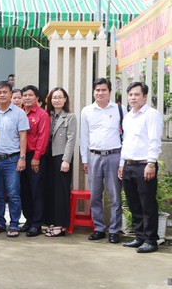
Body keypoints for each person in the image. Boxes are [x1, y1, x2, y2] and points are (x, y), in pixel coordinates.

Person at [80, 77, 125, 244]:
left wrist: (122, 161)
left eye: (103, 90)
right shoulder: (87, 111)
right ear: (93, 92)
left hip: (114, 155)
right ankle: (99, 228)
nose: (100, 93)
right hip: (94, 156)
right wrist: (85, 159)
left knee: (115, 196)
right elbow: (84, 137)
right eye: (97, 90)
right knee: (95, 196)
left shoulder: (121, 109)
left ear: (110, 92)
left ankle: (114, 230)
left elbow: (125, 136)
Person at [119, 82, 163, 253]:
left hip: (145, 165)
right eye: (130, 94)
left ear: (145, 96)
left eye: (137, 94)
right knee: (133, 204)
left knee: (147, 204)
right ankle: (139, 237)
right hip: (129, 165)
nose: (133, 98)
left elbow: (154, 140)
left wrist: (151, 163)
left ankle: (151, 240)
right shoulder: (129, 116)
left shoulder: (152, 115)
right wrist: (122, 164)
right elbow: (126, 142)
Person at [0, 81, 29, 238]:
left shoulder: (19, 113)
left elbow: (23, 137)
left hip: (12, 159)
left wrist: (22, 158)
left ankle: (14, 224)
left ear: (11, 94)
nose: (2, 95)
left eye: (5, 92)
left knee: (13, 193)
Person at [43, 87, 77, 238]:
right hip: (48, 158)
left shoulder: (70, 117)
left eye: (59, 97)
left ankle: (60, 225)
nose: (56, 100)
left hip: (61, 157)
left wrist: (66, 160)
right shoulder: (47, 116)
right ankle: (52, 222)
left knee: (61, 193)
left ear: (65, 99)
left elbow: (71, 140)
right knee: (50, 191)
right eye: (53, 97)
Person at [20, 85, 50, 237]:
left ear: (37, 98)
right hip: (21, 157)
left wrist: (36, 158)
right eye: (24, 95)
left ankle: (37, 224)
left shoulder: (42, 115)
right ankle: (28, 220)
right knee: (24, 191)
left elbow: (43, 139)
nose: (27, 98)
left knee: (36, 191)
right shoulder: (20, 113)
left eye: (30, 95)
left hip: (34, 158)